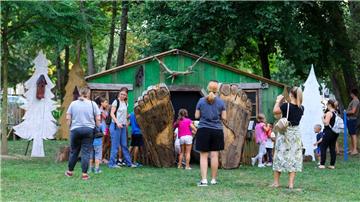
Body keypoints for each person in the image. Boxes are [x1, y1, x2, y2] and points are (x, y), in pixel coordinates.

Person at [195, 80, 226, 186]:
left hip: (203, 129)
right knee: (214, 156)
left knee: (203, 156)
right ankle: (213, 180)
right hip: (217, 130)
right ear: (217, 90)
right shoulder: (221, 102)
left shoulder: (201, 101)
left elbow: (196, 116)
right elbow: (224, 118)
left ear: (208, 88)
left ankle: (204, 180)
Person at [65, 87, 100, 180]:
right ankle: (84, 174)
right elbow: (98, 118)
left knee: (74, 151)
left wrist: (70, 127)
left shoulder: (73, 104)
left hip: (75, 130)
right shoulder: (93, 104)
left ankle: (69, 172)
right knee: (86, 152)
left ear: (80, 93)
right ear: (88, 93)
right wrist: (98, 127)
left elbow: (68, 117)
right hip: (89, 130)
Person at [272, 87, 304, 189]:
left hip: (285, 134)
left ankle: (276, 183)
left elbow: (275, 111)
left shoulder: (286, 106)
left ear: (290, 94)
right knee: (294, 157)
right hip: (296, 135)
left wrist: (278, 101)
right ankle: (291, 184)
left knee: (279, 155)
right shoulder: (302, 108)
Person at [108, 88, 136, 168]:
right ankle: (112, 164)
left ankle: (129, 163)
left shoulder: (125, 103)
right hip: (115, 126)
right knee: (115, 145)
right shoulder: (116, 102)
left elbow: (125, 115)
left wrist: (127, 120)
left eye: (124, 94)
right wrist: (117, 122)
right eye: (121, 94)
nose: (122, 96)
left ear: (126, 95)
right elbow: (112, 113)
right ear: (119, 94)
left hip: (123, 126)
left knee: (124, 144)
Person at [319, 99, 340, 169]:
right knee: (332, 148)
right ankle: (332, 165)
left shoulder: (329, 113)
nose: (326, 106)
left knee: (323, 147)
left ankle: (322, 164)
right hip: (335, 132)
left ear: (330, 105)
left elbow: (326, 123)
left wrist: (322, 118)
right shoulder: (336, 112)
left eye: (327, 104)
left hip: (328, 132)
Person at [90, 97, 108, 173]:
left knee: (91, 155)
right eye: (105, 102)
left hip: (91, 141)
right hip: (98, 141)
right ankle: (97, 169)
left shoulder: (90, 124)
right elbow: (104, 133)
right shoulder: (101, 124)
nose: (107, 104)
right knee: (97, 155)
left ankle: (90, 169)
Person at [346, 89, 359, 155]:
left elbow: (353, 111)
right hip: (350, 119)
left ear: (353, 94)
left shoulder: (355, 101)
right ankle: (352, 149)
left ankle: (355, 150)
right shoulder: (354, 101)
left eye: (351, 93)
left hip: (352, 119)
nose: (350, 95)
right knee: (351, 134)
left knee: (353, 134)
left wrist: (345, 112)